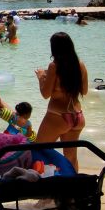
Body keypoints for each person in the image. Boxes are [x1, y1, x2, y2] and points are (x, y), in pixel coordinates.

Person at [34, 32, 88, 171]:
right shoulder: (80, 65)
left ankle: (45, 185)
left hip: (58, 116)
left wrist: (41, 78)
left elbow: (45, 94)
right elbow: (85, 91)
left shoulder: (54, 66)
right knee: (71, 157)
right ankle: (73, 186)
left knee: (39, 151)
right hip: (77, 115)